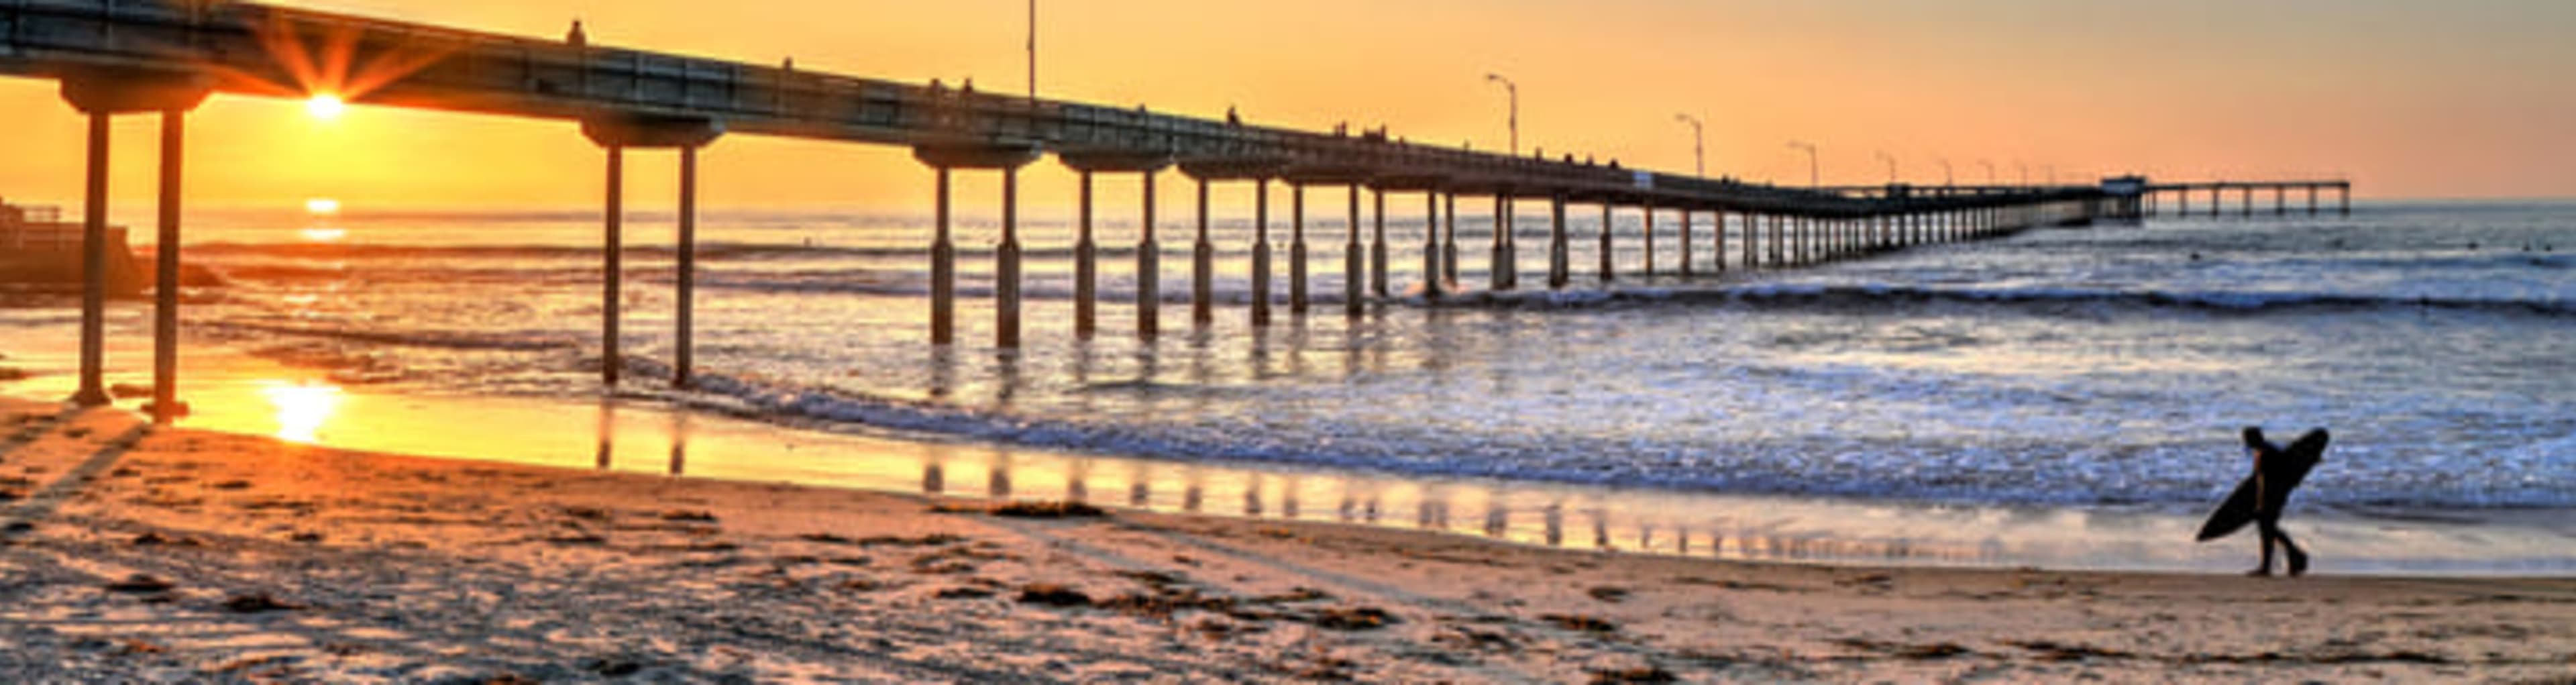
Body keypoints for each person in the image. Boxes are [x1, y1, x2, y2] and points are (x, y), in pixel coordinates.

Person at [2241, 427, 2314, 576]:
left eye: (2248, 438)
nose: (2246, 442)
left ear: (2256, 438)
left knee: (2267, 530)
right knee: (2268, 530)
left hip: (2273, 496)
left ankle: (2284, 559)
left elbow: (2276, 478)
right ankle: (2292, 557)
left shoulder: (2268, 453)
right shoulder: (2262, 452)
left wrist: (2267, 500)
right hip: (2268, 496)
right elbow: (2260, 480)